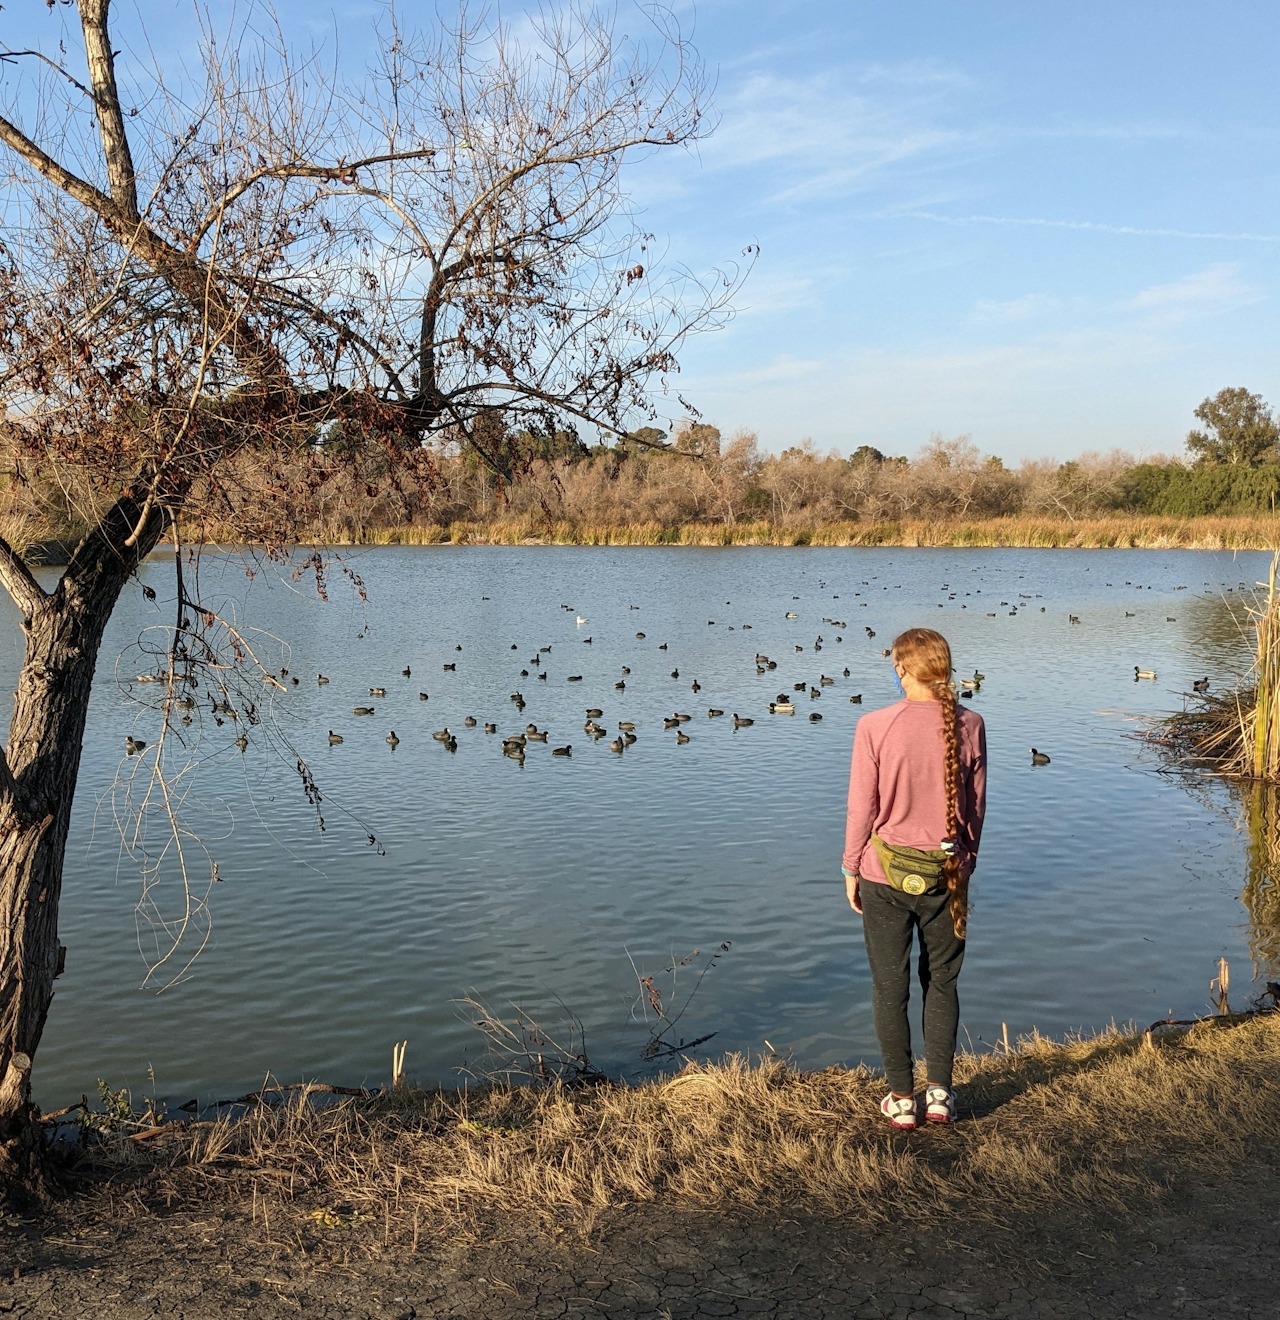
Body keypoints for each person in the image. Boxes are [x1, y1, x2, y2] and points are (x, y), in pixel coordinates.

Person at [842, 627, 987, 1130]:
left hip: (884, 874)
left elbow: (864, 806)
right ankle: (941, 1095)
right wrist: (965, 861)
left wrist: (850, 865)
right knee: (942, 982)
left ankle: (902, 1099)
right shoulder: (970, 723)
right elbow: (975, 810)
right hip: (947, 875)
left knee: (889, 986)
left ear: (902, 668)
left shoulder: (874, 724)